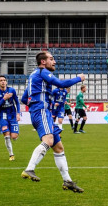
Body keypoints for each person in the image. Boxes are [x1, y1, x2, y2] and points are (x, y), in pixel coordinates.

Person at [21, 51, 84, 193]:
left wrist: (36, 103)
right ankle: (29, 169)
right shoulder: (42, 72)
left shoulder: (33, 77)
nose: (54, 61)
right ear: (43, 62)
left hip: (43, 112)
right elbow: (61, 83)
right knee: (49, 140)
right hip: (42, 111)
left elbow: (24, 98)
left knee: (58, 147)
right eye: (51, 59)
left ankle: (67, 181)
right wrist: (78, 78)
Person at [0, 75, 21, 161]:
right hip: (3, 115)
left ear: (6, 82)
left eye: (4, 80)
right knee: (6, 135)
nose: (3, 82)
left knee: (14, 136)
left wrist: (18, 113)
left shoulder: (12, 90)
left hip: (12, 114)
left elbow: (17, 103)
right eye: (1, 80)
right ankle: (11, 155)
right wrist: (4, 98)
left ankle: (15, 135)